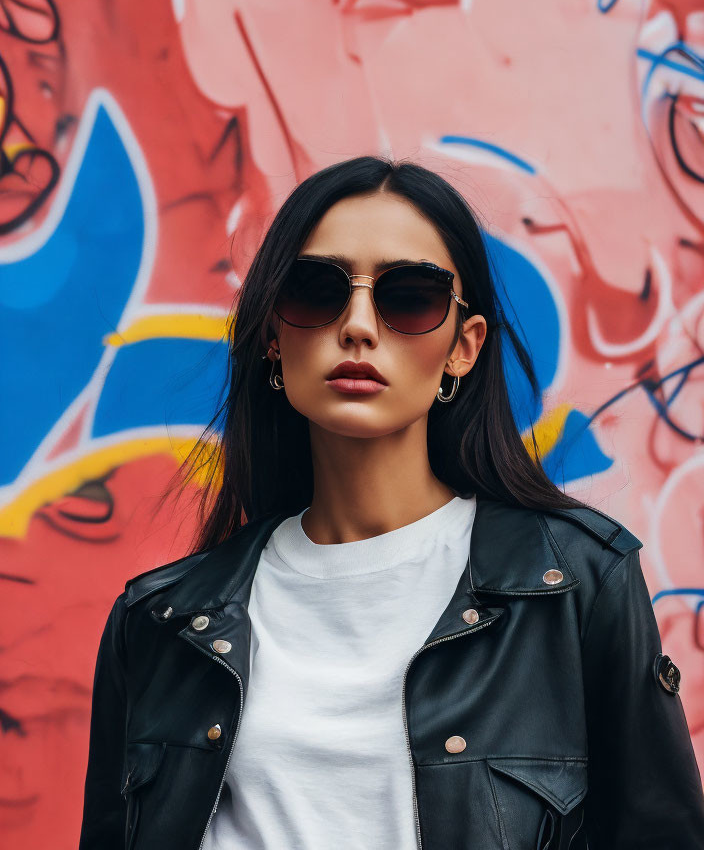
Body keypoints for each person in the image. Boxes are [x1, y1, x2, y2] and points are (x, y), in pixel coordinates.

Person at [78, 156, 704, 850]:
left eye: (409, 297)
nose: (358, 326)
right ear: (271, 339)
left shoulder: (575, 585)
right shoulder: (161, 623)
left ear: (463, 349)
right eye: (317, 290)